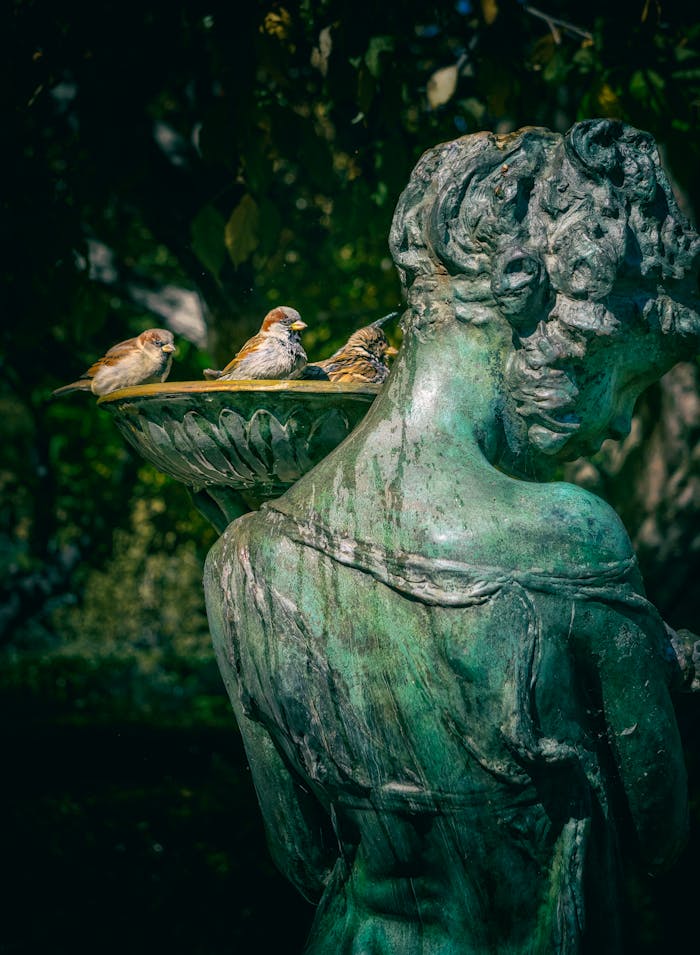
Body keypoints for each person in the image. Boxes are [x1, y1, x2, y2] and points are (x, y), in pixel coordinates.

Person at [204, 119, 700, 953]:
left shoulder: (243, 559)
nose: (621, 425)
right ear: (551, 316)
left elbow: (302, 857)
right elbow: (658, 835)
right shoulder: (571, 541)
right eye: (633, 378)